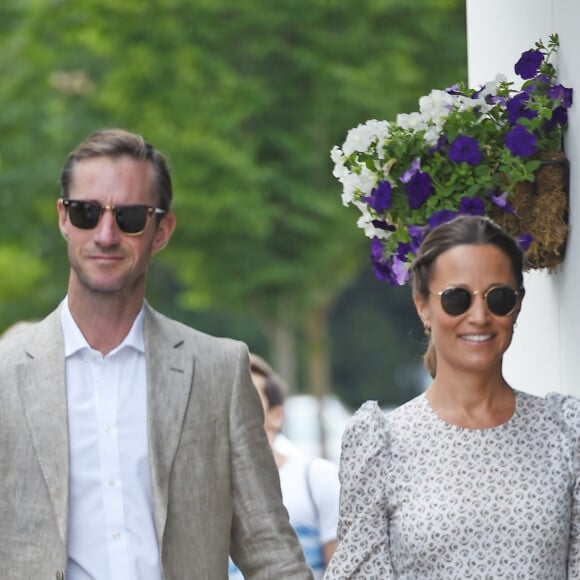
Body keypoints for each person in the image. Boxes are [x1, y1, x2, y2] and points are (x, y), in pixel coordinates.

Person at [0, 128, 313, 580]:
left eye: (129, 217)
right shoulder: (6, 375)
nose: (105, 235)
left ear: (161, 230)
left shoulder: (219, 372)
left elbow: (269, 550)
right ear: (63, 219)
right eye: (87, 213)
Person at [325, 215, 580, 578]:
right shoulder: (382, 444)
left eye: (499, 298)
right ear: (422, 305)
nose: (479, 316)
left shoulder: (566, 433)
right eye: (457, 299)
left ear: (517, 306)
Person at [230, 354, 340, 580]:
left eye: (247, 397)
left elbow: (342, 569)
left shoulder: (318, 479)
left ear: (277, 415)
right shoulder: (209, 490)